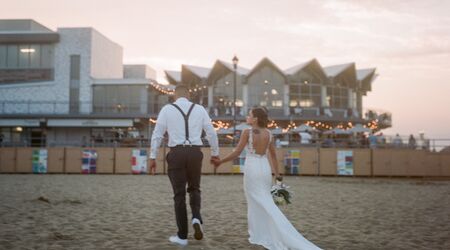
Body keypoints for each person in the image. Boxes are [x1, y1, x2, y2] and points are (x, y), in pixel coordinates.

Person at [212, 107, 321, 250]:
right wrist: (277, 175)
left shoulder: (247, 132)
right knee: (265, 200)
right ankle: (263, 232)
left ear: (255, 118)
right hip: (265, 169)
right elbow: (274, 156)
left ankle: (260, 233)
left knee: (256, 202)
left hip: (252, 168)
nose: (247, 117)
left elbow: (237, 152)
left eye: (249, 115)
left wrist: (220, 161)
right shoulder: (269, 134)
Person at [149, 85, 220, 247]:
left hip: (176, 153)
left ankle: (182, 236)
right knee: (195, 188)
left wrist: (152, 156)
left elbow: (157, 134)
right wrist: (215, 153)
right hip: (195, 152)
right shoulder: (200, 109)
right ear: (188, 95)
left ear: (175, 96)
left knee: (179, 195)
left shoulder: (167, 109)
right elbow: (211, 132)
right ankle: (196, 217)